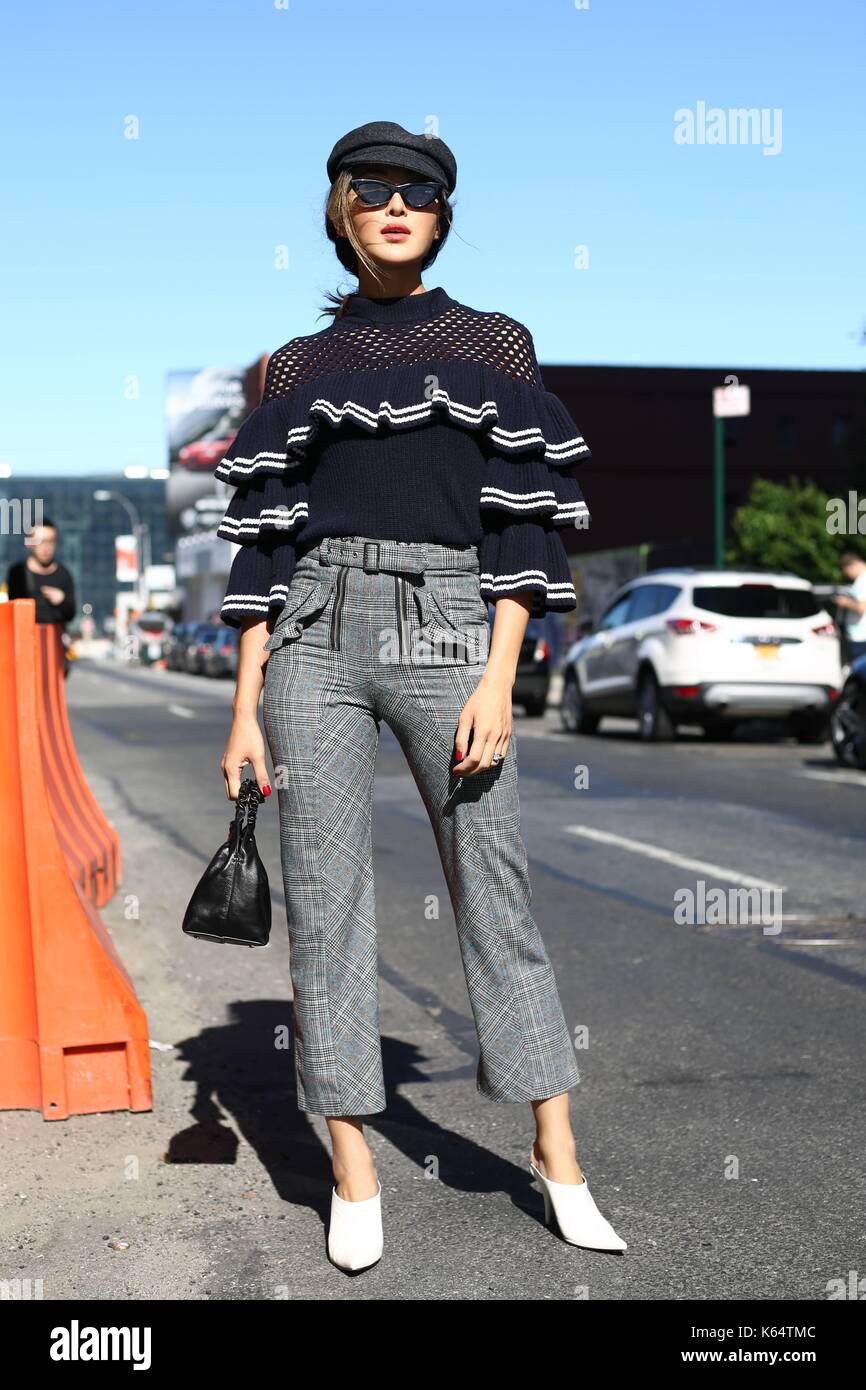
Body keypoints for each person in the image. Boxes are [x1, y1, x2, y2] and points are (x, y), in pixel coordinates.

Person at [217, 122, 625, 1270]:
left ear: (441, 216)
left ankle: (556, 1153)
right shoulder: (292, 370)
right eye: (372, 190)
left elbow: (522, 516)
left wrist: (501, 672)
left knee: (494, 893)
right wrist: (243, 706)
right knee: (324, 900)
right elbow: (266, 546)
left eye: (418, 193)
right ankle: (350, 1159)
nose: (395, 206)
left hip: (454, 624)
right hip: (313, 636)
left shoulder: (494, 342)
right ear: (340, 212)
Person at [6, 518, 77, 676]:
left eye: (50, 541)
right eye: (40, 541)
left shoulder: (64, 574)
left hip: (54, 653)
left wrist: (61, 600)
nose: (46, 546)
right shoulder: (18, 572)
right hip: (25, 652)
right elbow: (14, 611)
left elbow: (71, 612)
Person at [835, 548, 866, 664]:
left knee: (859, 671)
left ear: (850, 566)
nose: (847, 575)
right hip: (860, 636)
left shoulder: (863, 580)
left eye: (845, 572)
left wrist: (844, 602)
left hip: (861, 637)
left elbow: (861, 607)